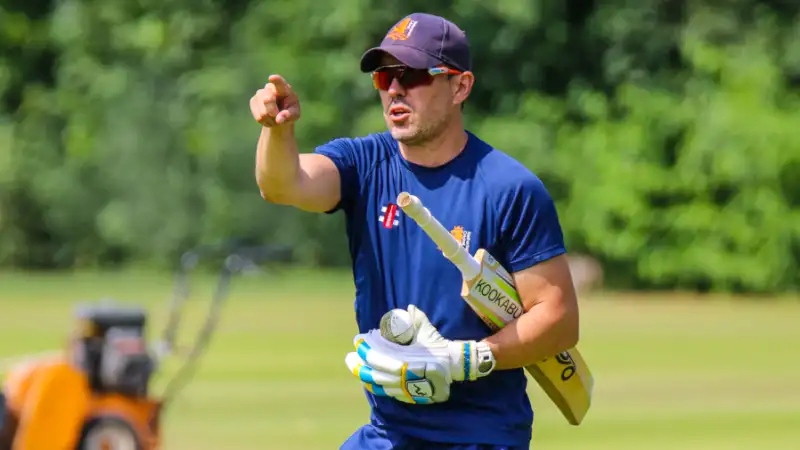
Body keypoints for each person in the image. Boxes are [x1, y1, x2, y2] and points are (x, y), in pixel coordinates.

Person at [251, 12, 581, 450]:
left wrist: (464, 360)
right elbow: (282, 184)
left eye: (414, 75)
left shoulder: (509, 187)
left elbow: (558, 321)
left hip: (480, 437)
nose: (395, 89)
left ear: (460, 86)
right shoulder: (365, 163)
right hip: (388, 434)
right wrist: (277, 131)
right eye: (384, 77)